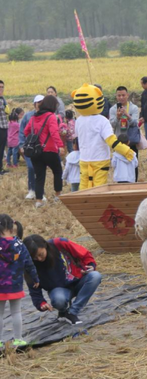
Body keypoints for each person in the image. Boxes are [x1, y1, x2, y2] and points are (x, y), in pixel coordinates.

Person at [25, 235, 101, 325]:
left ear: (45, 245)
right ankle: (63, 311)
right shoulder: (29, 265)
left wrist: (90, 265)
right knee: (58, 300)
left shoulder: (60, 244)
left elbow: (85, 254)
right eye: (35, 258)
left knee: (95, 276)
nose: (39, 259)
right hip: (59, 290)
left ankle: (72, 312)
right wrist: (41, 303)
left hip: (79, 281)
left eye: (40, 255)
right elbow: (34, 289)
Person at [0, 215, 39, 348]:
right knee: (16, 312)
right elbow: (29, 263)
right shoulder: (20, 244)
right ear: (12, 229)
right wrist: (35, 277)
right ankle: (18, 339)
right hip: (15, 285)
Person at [23, 95, 65, 209]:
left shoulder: (33, 117)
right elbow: (54, 133)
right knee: (57, 171)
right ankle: (58, 194)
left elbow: (26, 131)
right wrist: (60, 146)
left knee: (39, 176)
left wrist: (36, 139)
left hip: (36, 152)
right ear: (52, 105)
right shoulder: (51, 116)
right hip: (49, 150)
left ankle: (39, 200)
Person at [109, 86, 140, 181]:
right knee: (119, 163)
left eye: (123, 95)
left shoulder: (134, 108)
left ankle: (133, 182)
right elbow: (112, 124)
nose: (121, 97)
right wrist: (118, 117)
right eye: (119, 95)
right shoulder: (113, 109)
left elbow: (135, 123)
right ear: (116, 96)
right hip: (119, 140)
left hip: (131, 140)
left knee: (133, 163)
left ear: (127, 95)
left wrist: (127, 115)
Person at [20, 95, 44, 199]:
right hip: (29, 147)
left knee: (40, 169)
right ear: (34, 104)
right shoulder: (27, 116)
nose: (40, 104)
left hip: (41, 147)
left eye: (42, 102)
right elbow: (22, 131)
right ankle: (31, 190)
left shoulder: (47, 115)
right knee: (30, 167)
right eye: (38, 102)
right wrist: (21, 145)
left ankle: (40, 192)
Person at [0, 80, 9, 175]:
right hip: (0, 127)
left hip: (3, 126)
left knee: (2, 149)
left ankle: (1, 168)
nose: (1, 89)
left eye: (2, 87)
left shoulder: (3, 99)